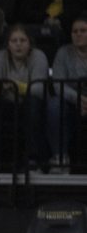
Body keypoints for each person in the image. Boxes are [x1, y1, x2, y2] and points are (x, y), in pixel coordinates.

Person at [0, 24, 50, 171]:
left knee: (33, 105)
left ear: (30, 43)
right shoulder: (0, 56)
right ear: (8, 44)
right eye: (14, 41)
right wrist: (6, 88)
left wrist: (12, 85)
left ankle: (33, 160)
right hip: (7, 103)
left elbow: (38, 89)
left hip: (32, 104)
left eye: (22, 40)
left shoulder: (39, 56)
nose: (18, 44)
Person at [47, 13, 87, 172]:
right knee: (53, 104)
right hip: (71, 100)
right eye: (75, 31)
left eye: (83, 31)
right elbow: (57, 84)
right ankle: (59, 157)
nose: (78, 34)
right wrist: (79, 99)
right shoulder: (63, 52)